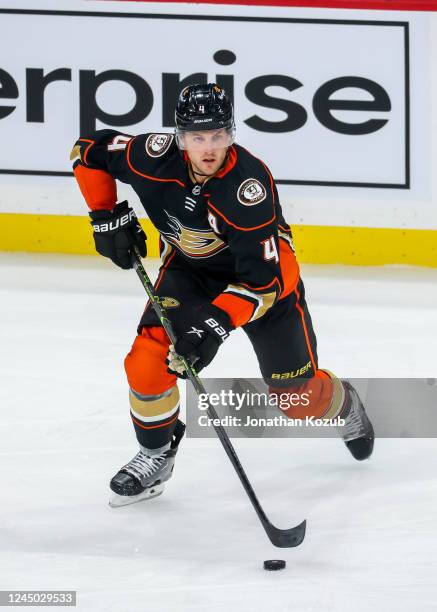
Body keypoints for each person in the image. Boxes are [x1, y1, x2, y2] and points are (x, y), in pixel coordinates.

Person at [71, 83, 374, 507]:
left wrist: (213, 327)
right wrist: (104, 217)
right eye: (197, 137)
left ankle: (344, 403)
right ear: (180, 137)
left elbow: (261, 285)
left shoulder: (247, 187)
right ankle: (157, 453)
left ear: (231, 134)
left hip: (265, 284)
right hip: (192, 271)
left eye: (217, 135)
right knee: (145, 362)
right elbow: (86, 151)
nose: (208, 148)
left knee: (297, 401)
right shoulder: (152, 156)